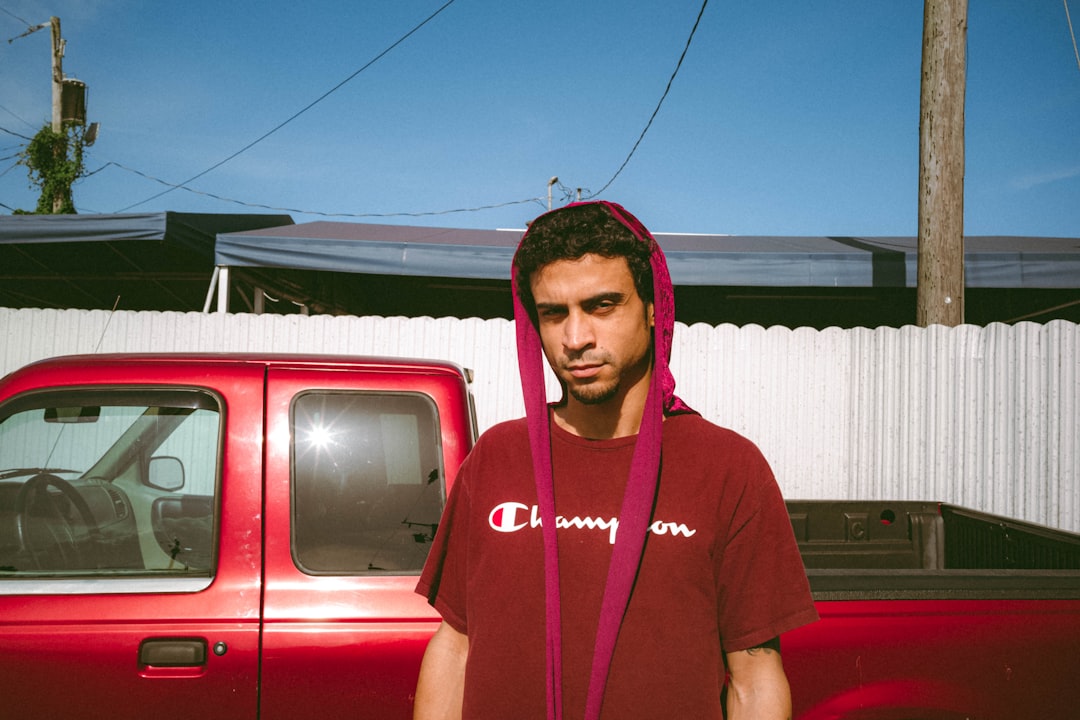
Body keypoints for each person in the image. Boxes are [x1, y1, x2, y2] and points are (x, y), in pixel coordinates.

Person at [414, 201, 817, 720]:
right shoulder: (496, 457)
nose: (575, 338)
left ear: (653, 308)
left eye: (602, 305)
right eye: (553, 313)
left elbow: (754, 678)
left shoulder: (727, 467)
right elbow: (455, 647)